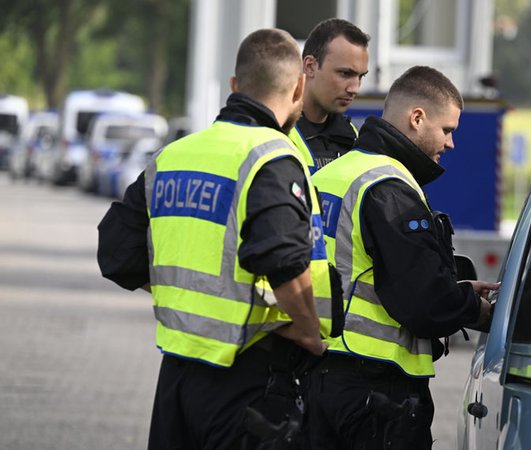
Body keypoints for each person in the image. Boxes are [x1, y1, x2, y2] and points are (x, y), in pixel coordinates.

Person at [96, 28, 341, 450]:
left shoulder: (174, 156)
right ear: (300, 87)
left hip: (177, 380)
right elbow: (284, 260)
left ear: (234, 85)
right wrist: (307, 333)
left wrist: (192, 297)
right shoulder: (271, 157)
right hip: (249, 381)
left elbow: (116, 251)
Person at [306, 66, 499, 449]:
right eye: (447, 130)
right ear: (417, 118)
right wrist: (476, 309)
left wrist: (456, 289)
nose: (451, 143)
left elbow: (361, 270)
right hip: (376, 391)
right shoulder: (390, 188)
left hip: (316, 377)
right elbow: (424, 300)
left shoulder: (330, 174)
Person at [289, 17, 370, 172]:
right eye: (345, 73)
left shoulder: (352, 136)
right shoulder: (274, 130)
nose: (355, 89)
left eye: (361, 76)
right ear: (310, 66)